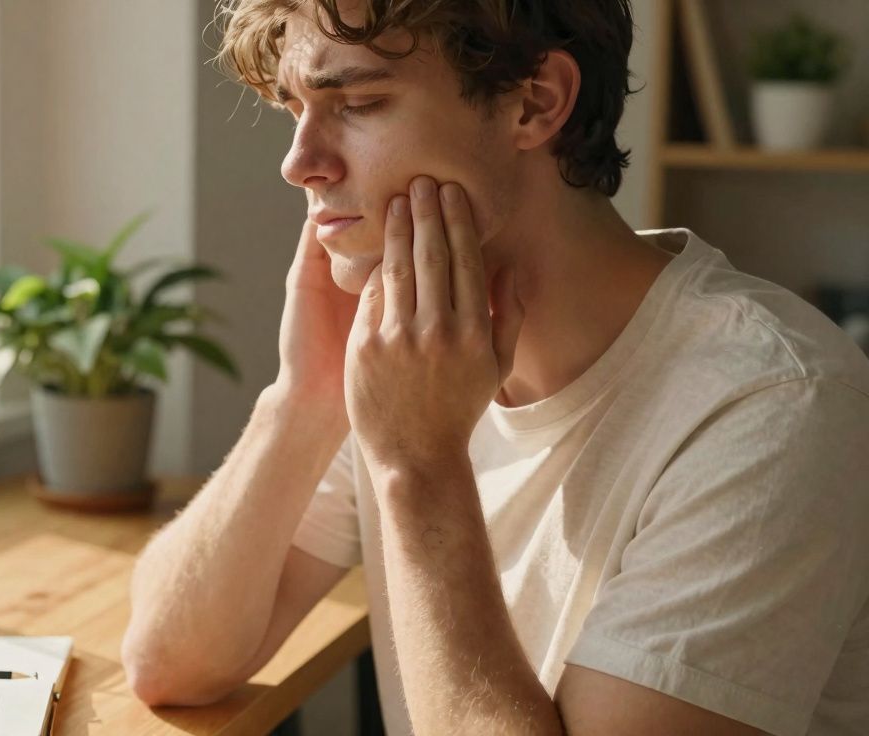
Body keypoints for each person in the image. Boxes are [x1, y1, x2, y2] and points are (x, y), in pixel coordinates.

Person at [121, 1, 869, 734]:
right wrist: (305, 397)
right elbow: (169, 662)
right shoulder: (412, 350)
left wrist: (418, 466)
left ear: (534, 102)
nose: (299, 164)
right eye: (295, 109)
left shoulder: (776, 403)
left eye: (359, 103)